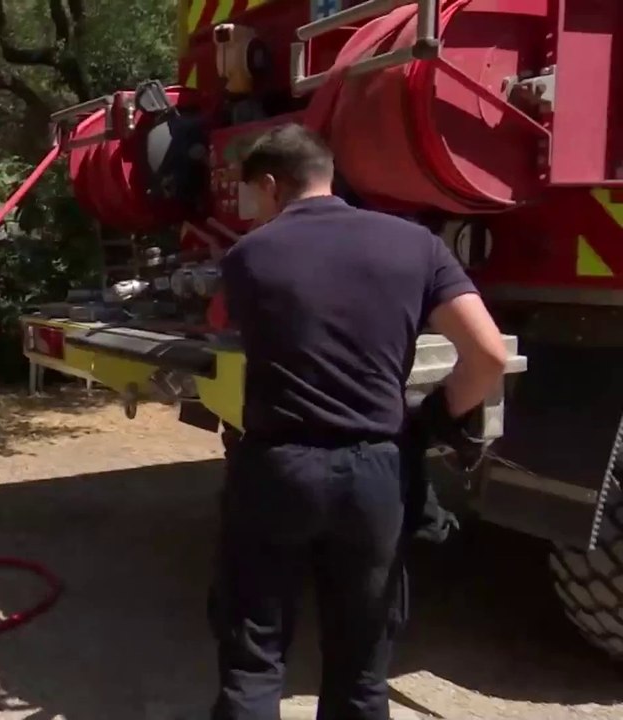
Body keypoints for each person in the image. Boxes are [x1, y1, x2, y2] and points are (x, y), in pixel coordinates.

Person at [209, 124, 509, 720]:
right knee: (361, 667)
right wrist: (435, 418)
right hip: (377, 473)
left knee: (255, 658)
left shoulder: (249, 255)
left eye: (252, 196)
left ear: (270, 185)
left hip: (277, 469)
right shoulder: (416, 245)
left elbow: (229, 327)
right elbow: (490, 356)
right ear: (328, 175)